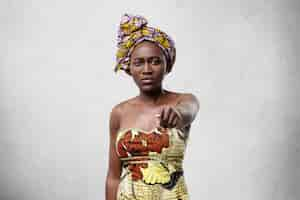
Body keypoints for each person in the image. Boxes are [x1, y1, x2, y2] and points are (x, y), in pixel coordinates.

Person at [105, 13, 200, 200]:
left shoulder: (183, 101)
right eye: (138, 63)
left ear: (167, 65)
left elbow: (189, 109)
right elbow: (113, 177)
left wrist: (178, 115)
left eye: (155, 61)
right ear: (129, 68)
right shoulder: (119, 113)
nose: (147, 70)